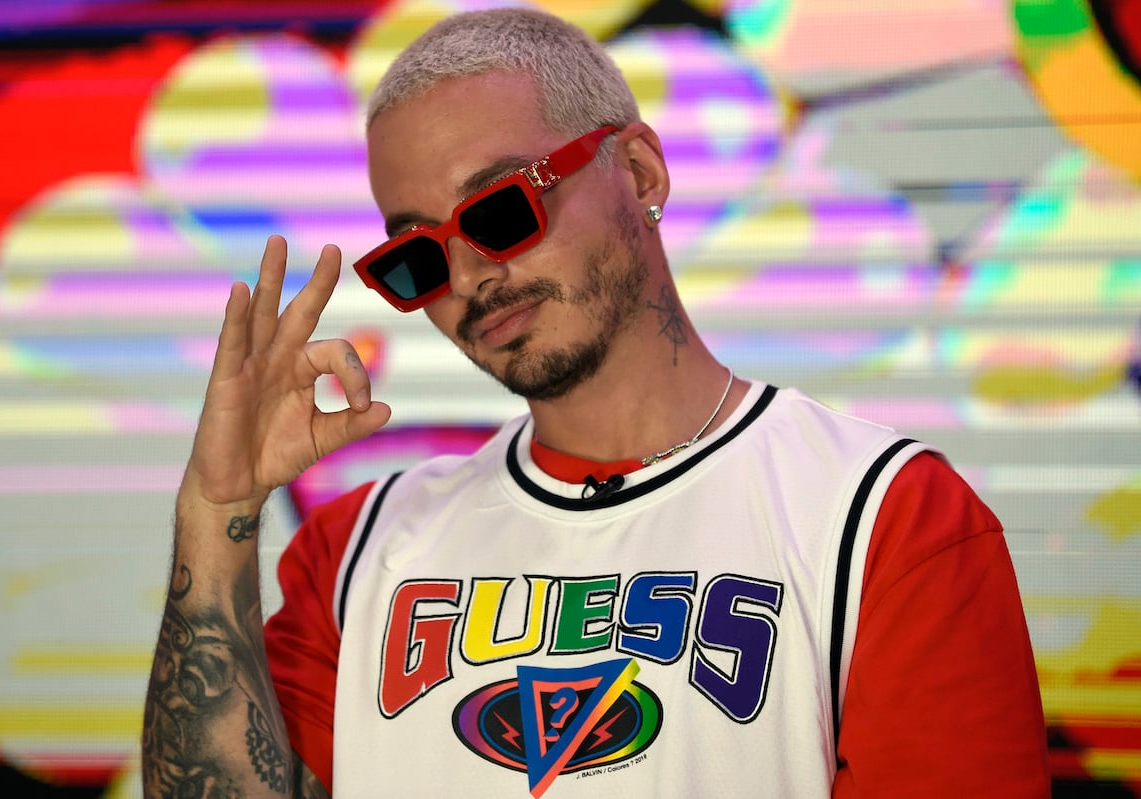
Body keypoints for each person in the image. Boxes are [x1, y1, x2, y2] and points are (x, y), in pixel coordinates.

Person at [141, 8, 1050, 798]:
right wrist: (218, 510)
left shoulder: (887, 518)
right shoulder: (356, 553)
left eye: (499, 210)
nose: (467, 277)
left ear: (643, 175)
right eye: (415, 256)